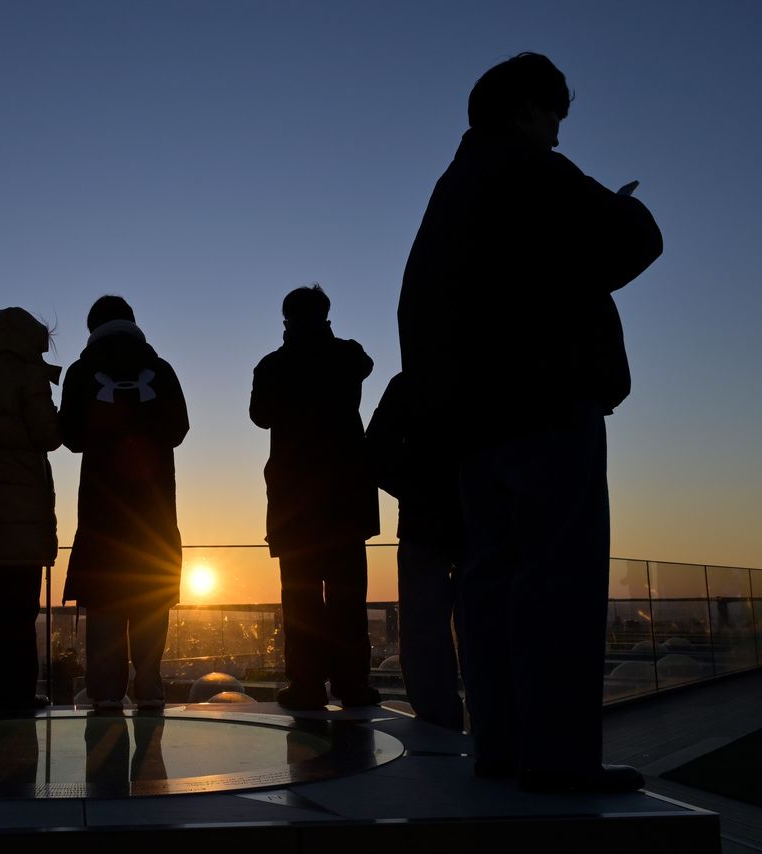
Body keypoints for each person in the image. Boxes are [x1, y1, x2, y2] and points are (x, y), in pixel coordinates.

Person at [397, 53, 662, 792]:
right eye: (553, 115)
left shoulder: (450, 191)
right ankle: (559, 758)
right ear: (526, 109)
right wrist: (622, 205)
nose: (557, 132)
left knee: (490, 581)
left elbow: (417, 311)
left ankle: (503, 748)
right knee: (559, 578)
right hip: (546, 409)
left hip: (473, 431)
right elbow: (632, 243)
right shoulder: (530, 170)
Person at [250, 285, 381, 710]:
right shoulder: (347, 356)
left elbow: (259, 416)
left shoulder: (274, 366)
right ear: (325, 316)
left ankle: (306, 684)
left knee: (301, 598)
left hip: (295, 504)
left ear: (286, 320)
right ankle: (352, 684)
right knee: (347, 597)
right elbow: (364, 364)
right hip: (345, 498)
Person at [61, 296, 188, 712]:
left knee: (105, 604)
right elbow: (179, 429)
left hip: (102, 515)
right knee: (151, 600)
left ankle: (105, 696)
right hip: (154, 514)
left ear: (92, 328)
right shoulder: (161, 370)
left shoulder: (81, 372)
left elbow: (71, 437)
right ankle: (149, 690)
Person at [0, 307, 62, 714]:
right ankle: (16, 693)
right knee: (20, 610)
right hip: (18, 517)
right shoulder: (27, 378)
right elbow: (48, 435)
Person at [365, 372, 465, 731]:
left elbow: (375, 452)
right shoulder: (491, 375)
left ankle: (438, 725)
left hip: (422, 522)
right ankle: (496, 725)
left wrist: (414, 491)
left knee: (423, 626)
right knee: (487, 623)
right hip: (483, 519)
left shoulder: (410, 382)